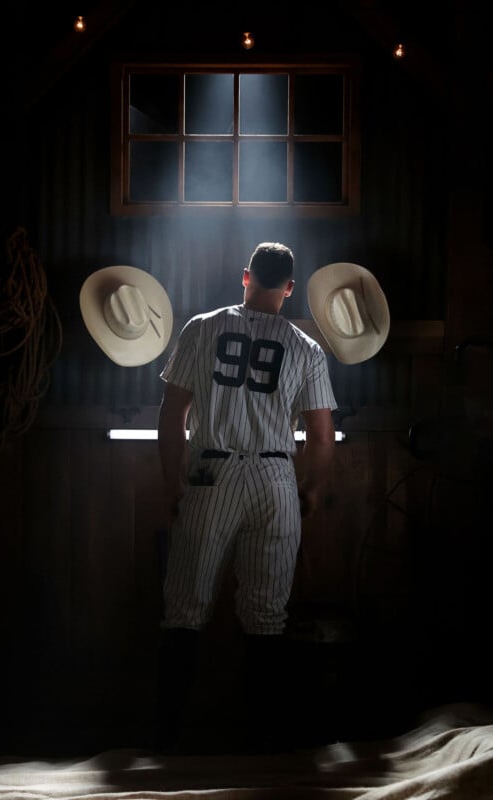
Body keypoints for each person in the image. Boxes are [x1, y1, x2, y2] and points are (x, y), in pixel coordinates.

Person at [154, 242, 337, 753]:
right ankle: (264, 747)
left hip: (213, 472)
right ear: (289, 288)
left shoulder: (203, 326)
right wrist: (310, 491)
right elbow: (322, 439)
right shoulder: (307, 347)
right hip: (277, 478)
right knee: (267, 616)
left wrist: (173, 483)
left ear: (245, 277)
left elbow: (172, 415)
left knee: (185, 609)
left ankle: (165, 744)